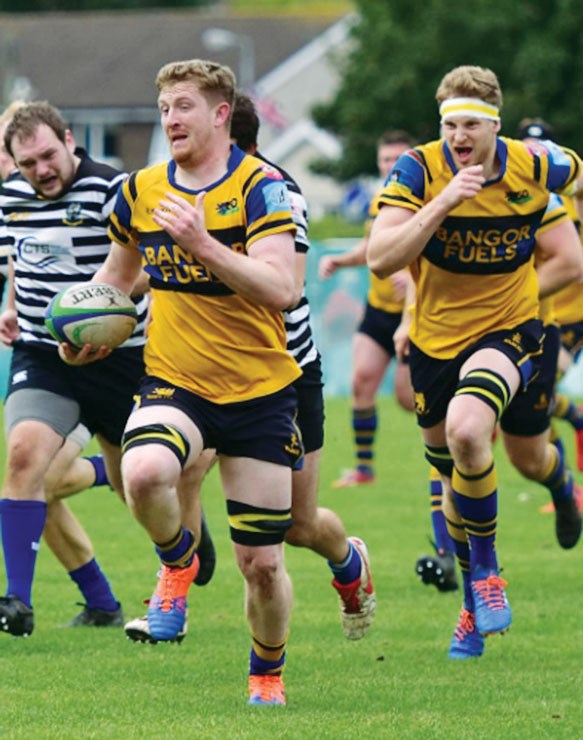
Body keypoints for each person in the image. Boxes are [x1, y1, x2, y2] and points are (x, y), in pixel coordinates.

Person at [68, 59, 311, 707]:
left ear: (220, 113)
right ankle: (178, 559)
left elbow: (281, 289)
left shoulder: (262, 188)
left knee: (262, 565)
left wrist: (203, 244)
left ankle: (266, 675)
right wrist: (87, 329)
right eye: (164, 109)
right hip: (176, 382)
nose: (170, 120)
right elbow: (116, 280)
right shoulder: (141, 191)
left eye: (183, 107)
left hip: (260, 392)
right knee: (144, 472)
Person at [123, 92, 376, 648]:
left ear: (234, 141)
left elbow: (284, 288)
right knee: (179, 467)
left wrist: (201, 248)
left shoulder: (274, 191)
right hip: (197, 374)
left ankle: (347, 558)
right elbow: (155, 265)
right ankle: (174, 585)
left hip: (283, 373)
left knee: (298, 526)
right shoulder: (172, 189)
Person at [367, 65, 583, 660]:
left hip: (512, 331)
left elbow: (570, 248)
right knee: (454, 478)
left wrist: (517, 293)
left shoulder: (532, 168)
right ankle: (471, 602)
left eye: (471, 125)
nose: (459, 136)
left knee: (475, 434)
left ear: (495, 127)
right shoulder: (418, 170)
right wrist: (442, 203)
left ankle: (488, 571)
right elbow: (382, 259)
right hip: (436, 342)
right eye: (450, 126)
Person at [0, 101, 150, 637]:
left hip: (121, 358)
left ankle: (175, 542)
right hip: (43, 354)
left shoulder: (114, 189)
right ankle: (16, 603)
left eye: (48, 155)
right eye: (27, 163)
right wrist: (11, 305)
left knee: (141, 490)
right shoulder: (9, 198)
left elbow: (149, 265)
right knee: (24, 460)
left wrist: (100, 313)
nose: (41, 170)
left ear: (69, 140)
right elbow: (16, 258)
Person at [319, 131, 416, 488]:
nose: (390, 166)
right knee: (361, 380)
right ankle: (363, 469)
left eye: (397, 159)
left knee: (409, 399)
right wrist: (341, 261)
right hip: (378, 309)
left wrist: (413, 277)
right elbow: (371, 248)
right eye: (385, 160)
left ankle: (468, 428)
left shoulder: (426, 198)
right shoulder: (381, 200)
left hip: (415, 314)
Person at [517, 118, 583, 476]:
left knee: (540, 389)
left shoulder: (568, 199)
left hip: (573, 313)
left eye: (540, 147)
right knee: (532, 400)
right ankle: (566, 478)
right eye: (526, 146)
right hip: (549, 311)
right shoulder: (514, 198)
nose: (533, 154)